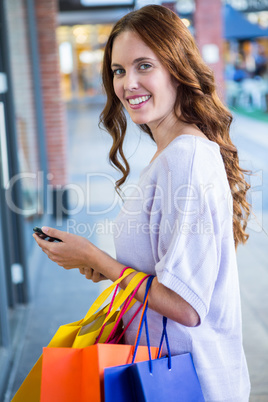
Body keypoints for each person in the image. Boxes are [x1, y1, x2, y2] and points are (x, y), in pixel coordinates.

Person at [33, 5, 251, 401]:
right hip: (162, 371)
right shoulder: (171, 152)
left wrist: (102, 261)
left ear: (177, 67)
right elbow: (169, 269)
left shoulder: (186, 159)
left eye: (143, 66)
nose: (128, 83)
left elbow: (186, 306)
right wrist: (106, 269)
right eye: (118, 71)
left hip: (187, 380)